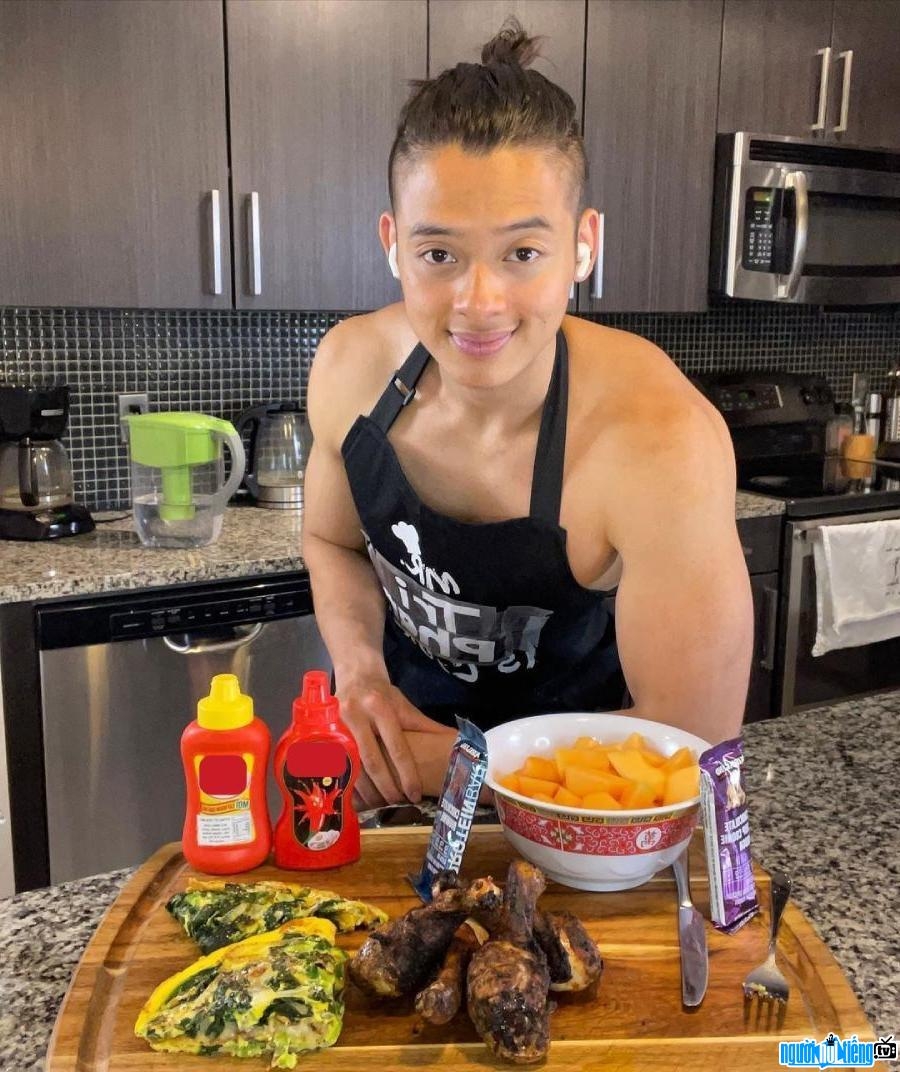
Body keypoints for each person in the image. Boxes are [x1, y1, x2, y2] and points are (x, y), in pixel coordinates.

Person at [303, 21, 753, 809]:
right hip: (395, 786)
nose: (479, 303)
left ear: (583, 245)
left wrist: (465, 765)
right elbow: (331, 541)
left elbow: (696, 738)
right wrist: (361, 674)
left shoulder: (658, 441)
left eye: (522, 253)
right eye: (439, 254)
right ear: (393, 244)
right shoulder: (350, 370)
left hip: (583, 814)